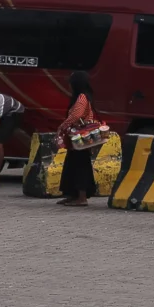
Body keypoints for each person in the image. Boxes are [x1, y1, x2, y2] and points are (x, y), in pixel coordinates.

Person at [56, 71, 99, 206]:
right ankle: (72, 194)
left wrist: (62, 126)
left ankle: (81, 197)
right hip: (76, 138)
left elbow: (76, 115)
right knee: (72, 164)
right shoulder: (82, 96)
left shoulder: (81, 97)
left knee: (80, 165)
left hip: (80, 137)